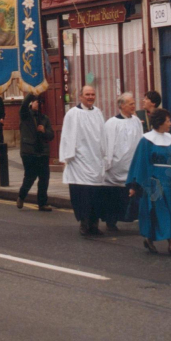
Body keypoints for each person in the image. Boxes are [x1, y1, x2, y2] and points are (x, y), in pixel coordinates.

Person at [126, 108, 171, 257]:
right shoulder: (146, 140)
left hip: (169, 182)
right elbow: (140, 163)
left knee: (166, 211)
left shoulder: (170, 139)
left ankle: (149, 238)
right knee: (161, 211)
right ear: (160, 122)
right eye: (168, 121)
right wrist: (135, 185)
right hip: (153, 182)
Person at [59, 85, 107, 236]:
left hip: (95, 160)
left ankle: (94, 224)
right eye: (87, 94)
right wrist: (66, 158)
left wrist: (104, 155)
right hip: (79, 161)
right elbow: (67, 136)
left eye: (92, 94)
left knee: (96, 195)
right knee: (83, 194)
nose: (90, 97)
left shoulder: (98, 113)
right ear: (80, 97)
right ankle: (84, 223)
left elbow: (103, 135)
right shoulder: (73, 114)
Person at [104, 92, 143, 230]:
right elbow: (107, 144)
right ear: (121, 105)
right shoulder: (111, 123)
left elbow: (140, 140)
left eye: (134, 103)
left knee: (132, 194)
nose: (134, 106)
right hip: (116, 166)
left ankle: (131, 217)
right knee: (115, 196)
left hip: (132, 164)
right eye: (131, 104)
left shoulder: (137, 121)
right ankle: (111, 221)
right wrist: (107, 163)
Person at [17, 94, 54, 211]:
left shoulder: (44, 118)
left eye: (39, 102)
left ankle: (42, 203)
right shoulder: (25, 115)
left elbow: (51, 135)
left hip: (42, 152)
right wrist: (32, 92)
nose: (38, 103)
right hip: (29, 151)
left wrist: (44, 131)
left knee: (44, 178)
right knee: (30, 177)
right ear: (31, 103)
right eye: (36, 101)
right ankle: (21, 196)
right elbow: (23, 106)